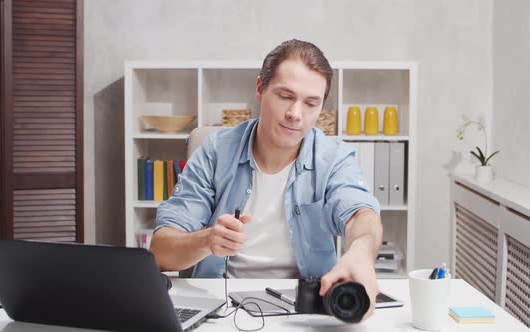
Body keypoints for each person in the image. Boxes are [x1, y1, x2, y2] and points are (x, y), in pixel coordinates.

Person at [150, 39, 382, 320]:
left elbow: (361, 215)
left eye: (311, 103)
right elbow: (161, 250)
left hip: (306, 311)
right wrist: (206, 240)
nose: (295, 114)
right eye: (285, 96)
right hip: (222, 308)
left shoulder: (333, 158)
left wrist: (360, 250)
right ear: (260, 89)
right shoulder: (215, 151)